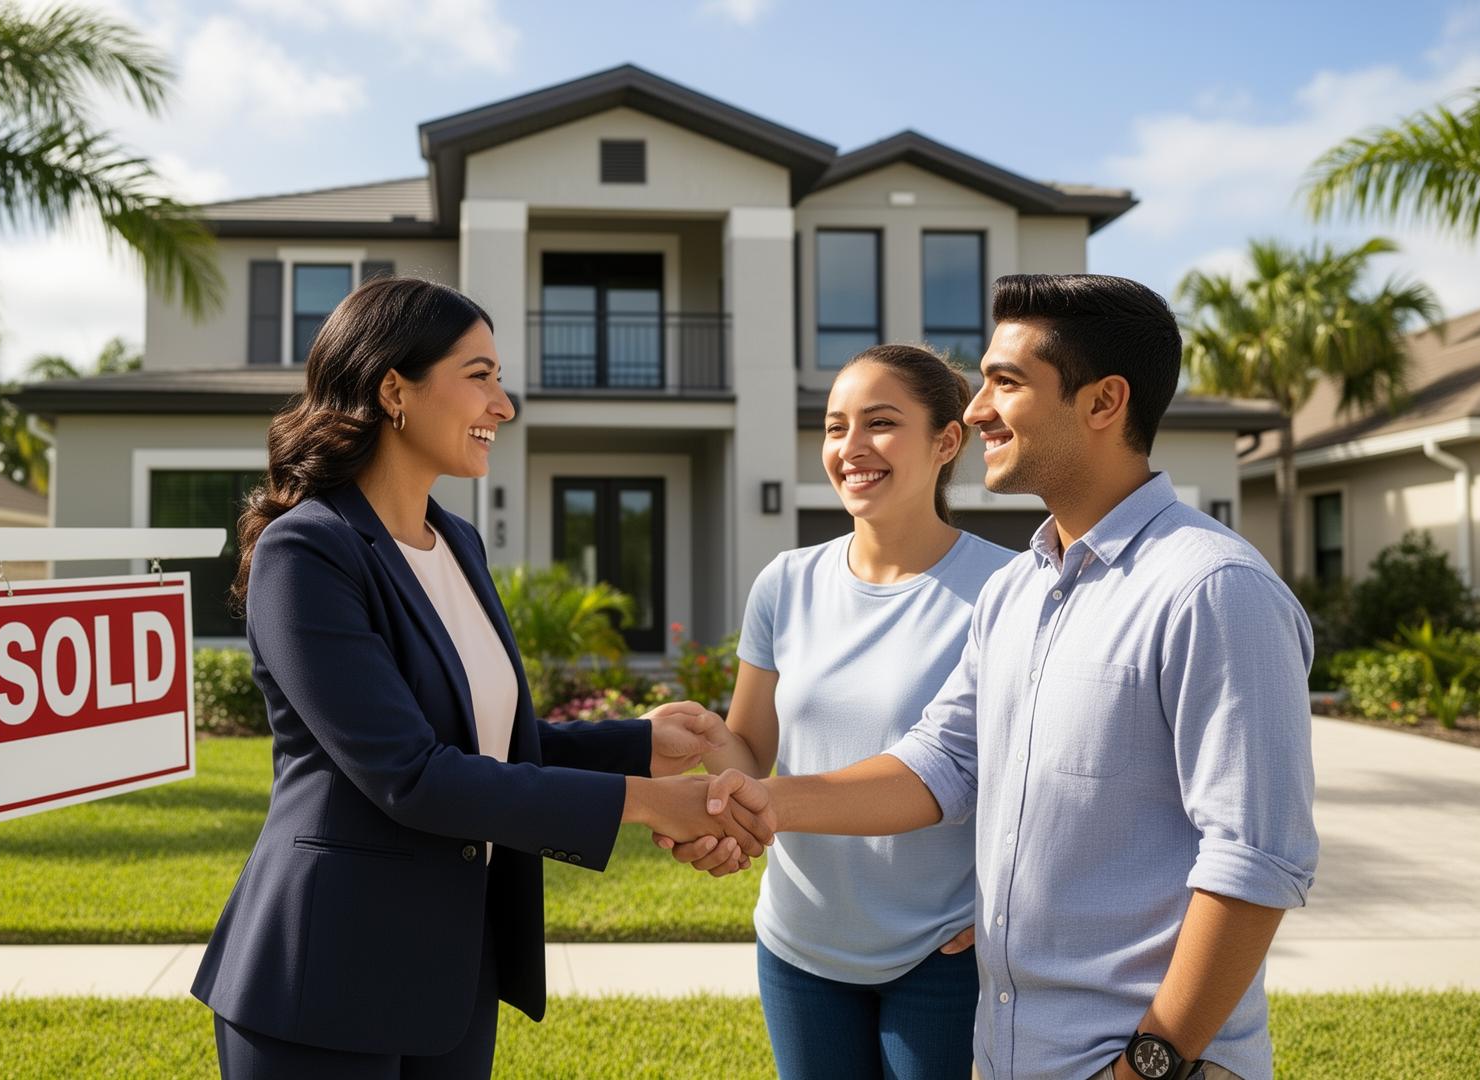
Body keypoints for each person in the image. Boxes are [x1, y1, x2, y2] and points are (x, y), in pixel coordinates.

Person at [681, 275, 1319, 1080]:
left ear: (1103, 402)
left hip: (1136, 1061)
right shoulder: (1020, 588)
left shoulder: (1213, 590)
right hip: (1016, 1052)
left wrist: (1149, 1066)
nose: (977, 408)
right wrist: (762, 800)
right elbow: (941, 764)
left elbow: (1256, 860)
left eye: (1006, 382)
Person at [191, 276, 768, 1079]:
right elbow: (411, 774)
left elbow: (491, 744)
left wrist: (640, 747)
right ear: (395, 389)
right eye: (481, 376)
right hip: (318, 979)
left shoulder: (458, 542)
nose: (504, 405)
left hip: (450, 977)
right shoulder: (307, 551)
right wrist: (645, 804)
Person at [658, 344, 1011, 1078]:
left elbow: (1037, 781)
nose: (851, 449)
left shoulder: (1005, 590)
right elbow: (753, 753)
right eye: (833, 427)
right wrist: (712, 743)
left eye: (880, 424)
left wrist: (1006, 910)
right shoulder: (786, 582)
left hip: (940, 946)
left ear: (947, 441)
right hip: (800, 943)